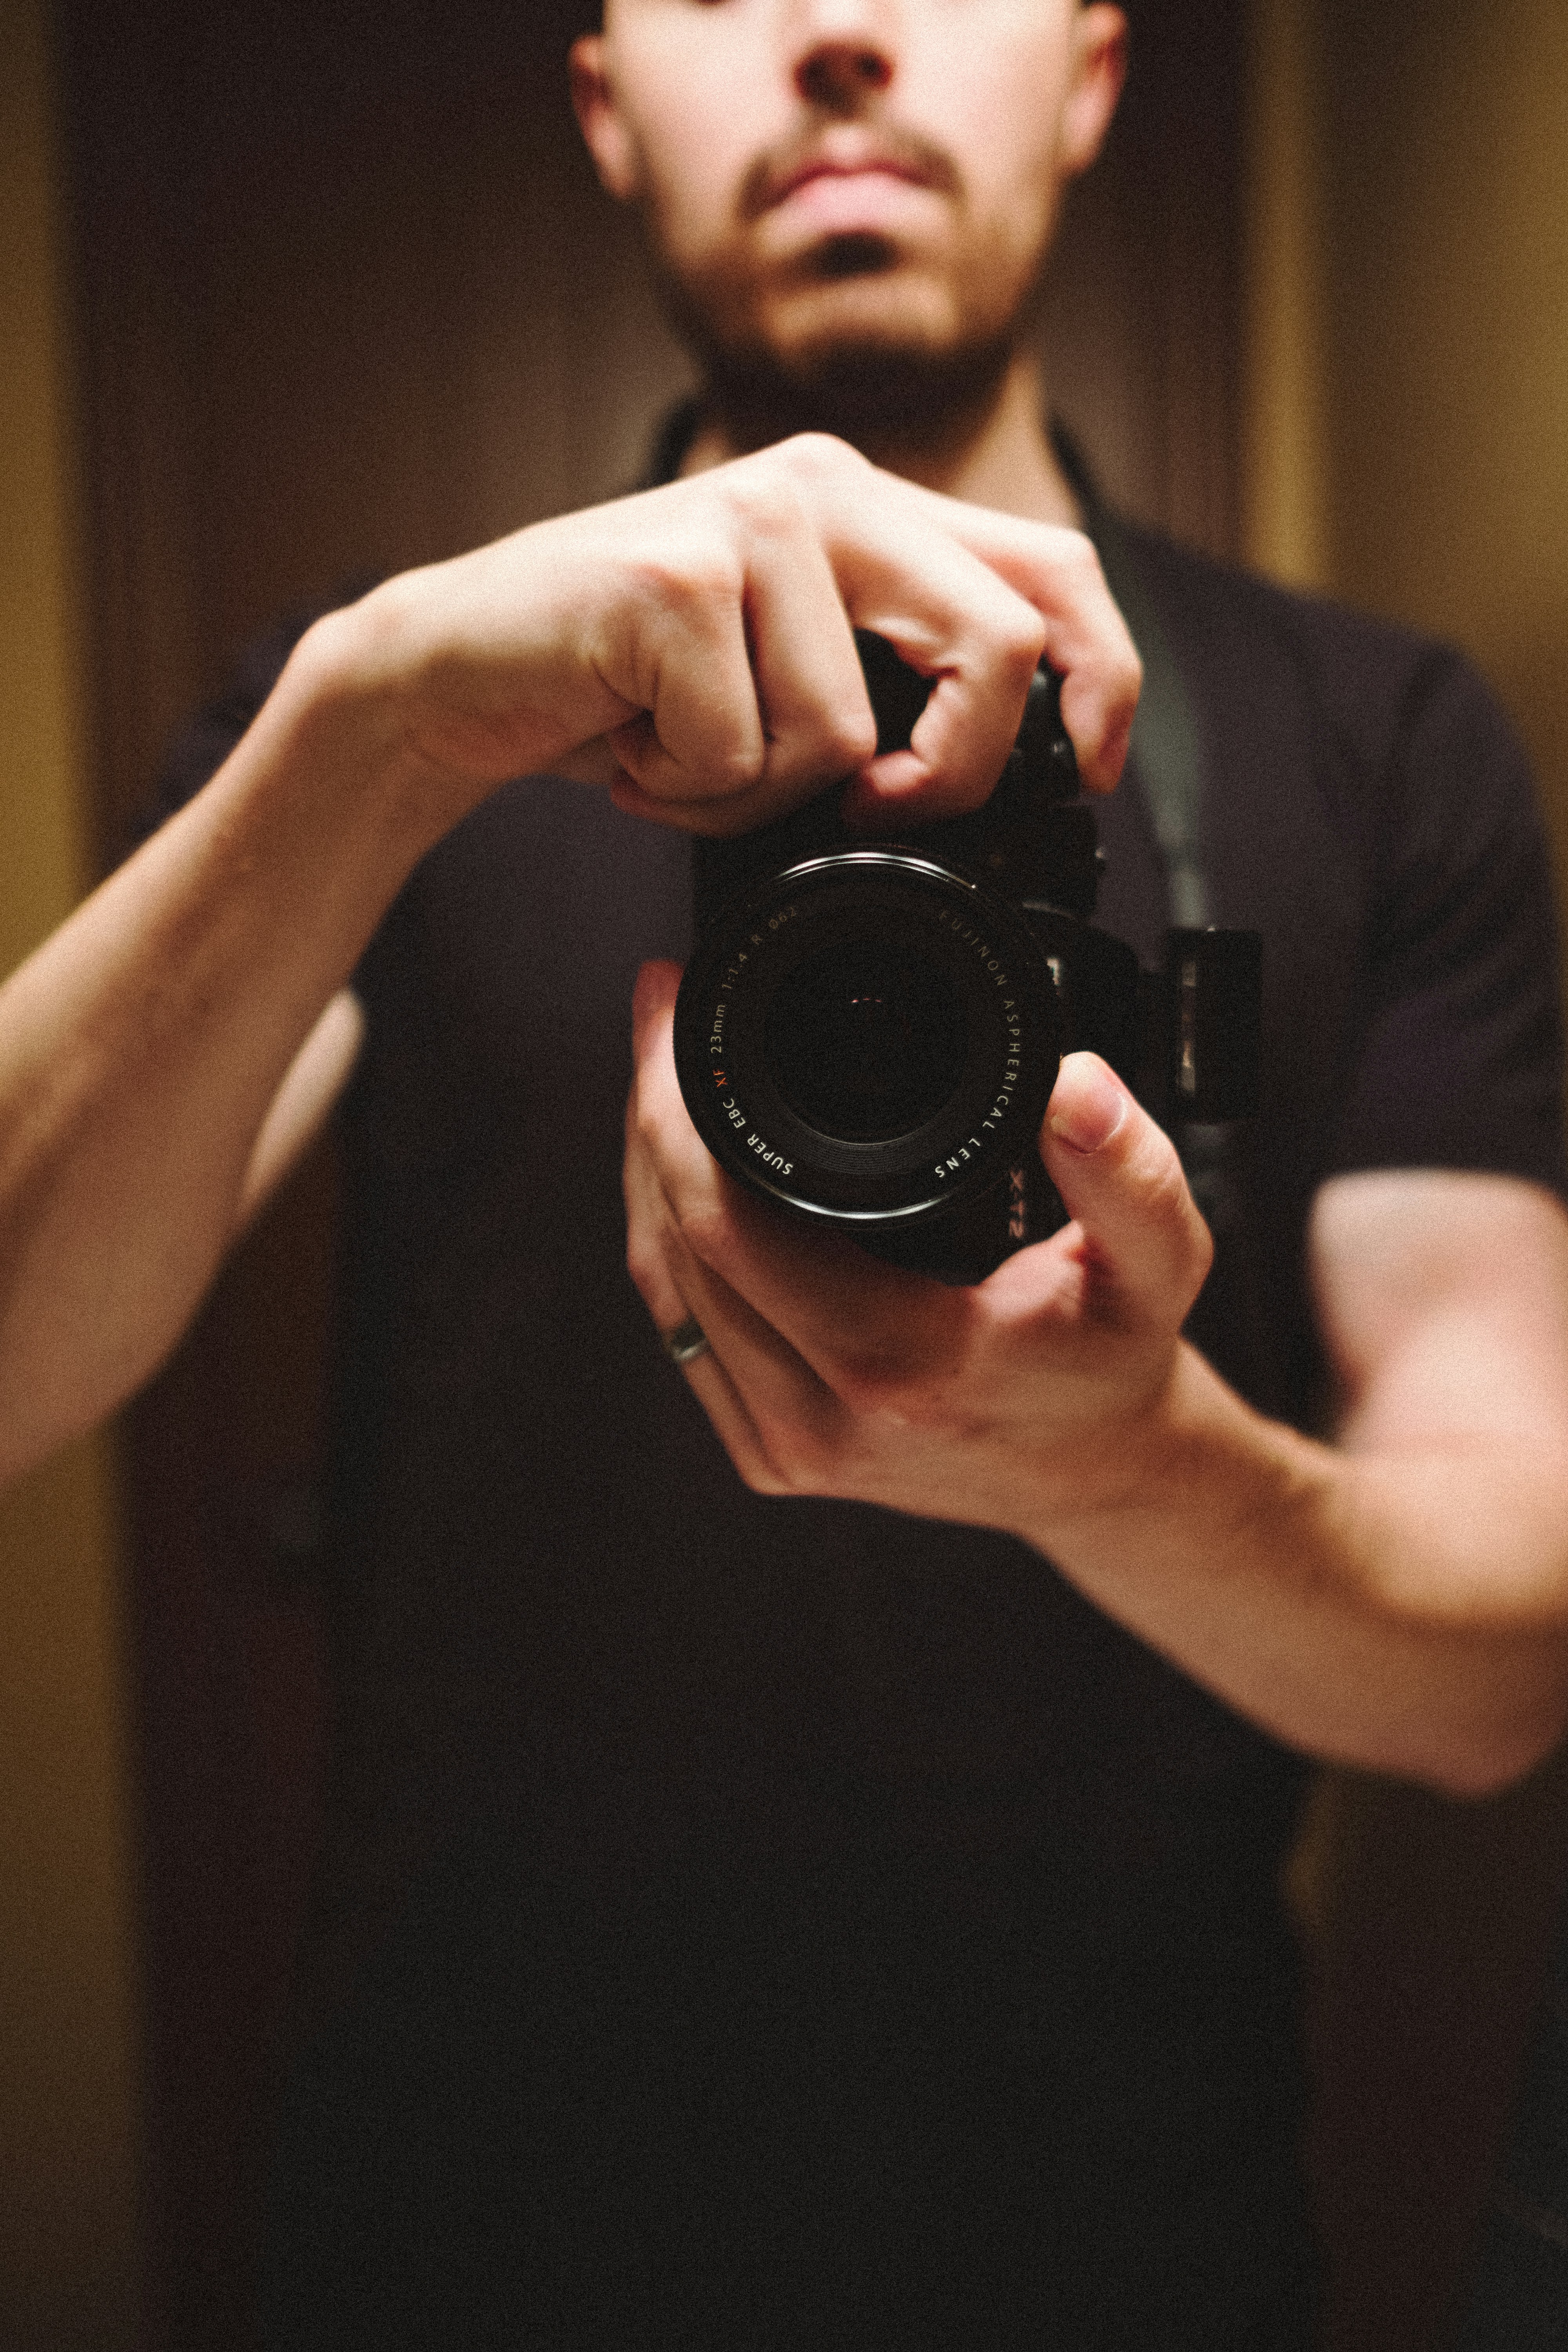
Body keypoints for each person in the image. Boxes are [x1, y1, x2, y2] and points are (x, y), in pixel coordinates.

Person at [3, 0, 1568, 2341]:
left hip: (1121, 2232)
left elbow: (1504, 1669)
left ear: (1095, 71)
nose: (840, 31)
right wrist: (373, 721)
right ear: (610, 102)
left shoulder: (1372, 740)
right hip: (457, 2220)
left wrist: (1137, 1473)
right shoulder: (377, 729)